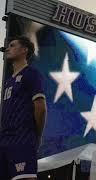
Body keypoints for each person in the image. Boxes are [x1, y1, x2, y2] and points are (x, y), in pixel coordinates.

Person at [0, 36, 47, 180]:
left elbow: (41, 107)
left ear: (24, 50)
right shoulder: (8, 82)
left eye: (13, 45)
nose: (8, 48)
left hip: (22, 139)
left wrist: (36, 136)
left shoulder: (31, 74)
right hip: (4, 141)